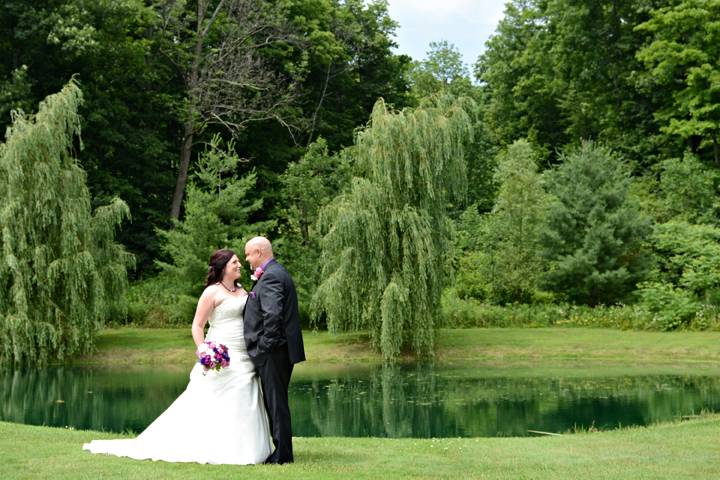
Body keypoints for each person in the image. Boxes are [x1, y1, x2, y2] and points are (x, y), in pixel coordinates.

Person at [82, 249, 272, 465]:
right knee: (211, 400)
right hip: (221, 350)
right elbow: (197, 325)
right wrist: (204, 349)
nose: (239, 265)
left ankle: (246, 448)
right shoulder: (212, 292)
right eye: (235, 262)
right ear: (223, 267)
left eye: (239, 261)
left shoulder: (241, 290)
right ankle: (213, 446)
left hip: (243, 352)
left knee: (245, 396)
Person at [243, 236, 305, 464]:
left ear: (259, 252)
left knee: (276, 402)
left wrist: (263, 347)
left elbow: (273, 315)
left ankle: (282, 455)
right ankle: (281, 449)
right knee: (274, 400)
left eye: (249, 254)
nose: (247, 259)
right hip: (277, 350)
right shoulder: (275, 273)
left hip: (273, 352)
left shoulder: (270, 277)